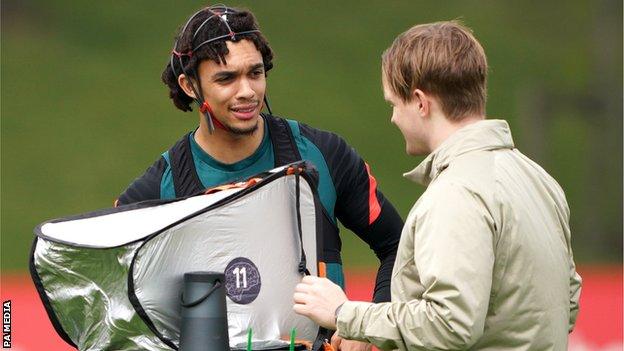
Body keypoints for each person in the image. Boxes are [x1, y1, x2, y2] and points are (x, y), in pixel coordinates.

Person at [115, 5, 403, 350]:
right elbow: (118, 302)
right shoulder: (159, 187)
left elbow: (397, 246)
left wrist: (369, 322)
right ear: (190, 86)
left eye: (255, 73)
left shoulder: (323, 153)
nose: (247, 91)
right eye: (226, 78)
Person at [293, 21, 582, 350]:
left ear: (419, 102)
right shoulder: (538, 179)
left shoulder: (455, 195)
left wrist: (346, 314)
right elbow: (567, 303)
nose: (393, 118)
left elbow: (449, 325)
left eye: (393, 104)